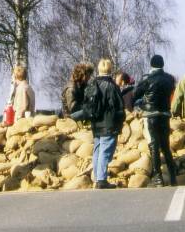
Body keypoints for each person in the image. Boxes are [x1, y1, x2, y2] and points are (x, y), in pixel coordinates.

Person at [71, 59, 125, 189]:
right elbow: (118, 107)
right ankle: (101, 180)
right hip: (109, 124)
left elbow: (87, 105)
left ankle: (97, 177)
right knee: (105, 152)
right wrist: (120, 122)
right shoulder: (113, 86)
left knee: (97, 150)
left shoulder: (92, 85)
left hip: (96, 124)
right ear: (110, 70)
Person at [133, 55, 177, 186]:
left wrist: (140, 104)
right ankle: (173, 176)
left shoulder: (147, 78)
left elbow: (136, 94)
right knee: (165, 146)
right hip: (165, 114)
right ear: (162, 64)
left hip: (150, 114)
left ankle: (158, 177)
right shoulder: (169, 78)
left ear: (151, 64)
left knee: (153, 145)